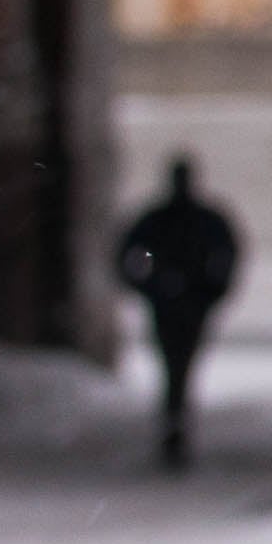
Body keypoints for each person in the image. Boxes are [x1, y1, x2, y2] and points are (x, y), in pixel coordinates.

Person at [111, 155, 245, 472]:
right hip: (175, 302)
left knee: (177, 368)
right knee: (177, 368)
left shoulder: (175, 219)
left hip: (181, 302)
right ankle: (175, 428)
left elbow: (226, 255)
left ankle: (175, 427)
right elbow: (128, 254)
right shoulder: (176, 219)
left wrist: (207, 291)